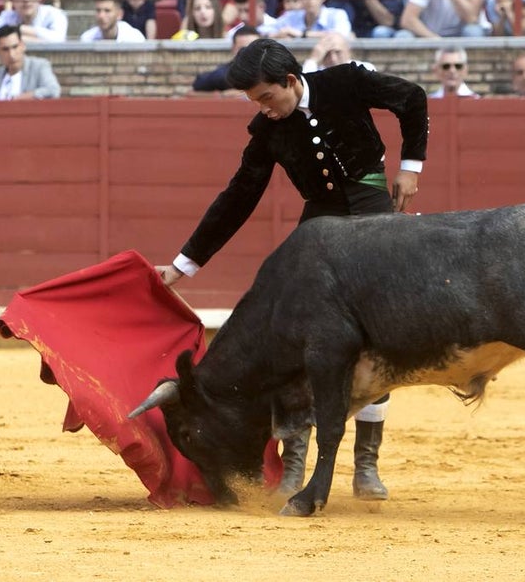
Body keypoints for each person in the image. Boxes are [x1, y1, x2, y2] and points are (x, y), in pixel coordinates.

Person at [154, 36, 429, 501]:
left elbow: (412, 98)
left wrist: (412, 167)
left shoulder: (345, 82)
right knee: (296, 340)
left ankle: (366, 464)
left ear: (289, 80)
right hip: (318, 222)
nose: (264, 109)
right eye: (254, 102)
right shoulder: (267, 131)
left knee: (376, 337)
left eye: (266, 98)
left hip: (371, 212)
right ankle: (296, 461)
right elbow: (238, 197)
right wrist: (185, 264)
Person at [0, 25, 61, 100]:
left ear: (23, 46)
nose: (11, 54)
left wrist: (23, 98)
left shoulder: (39, 67)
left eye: (15, 47)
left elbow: (53, 91)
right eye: (5, 49)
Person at [189, 25, 262, 93]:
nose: (248, 53)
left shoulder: (270, 70)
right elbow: (196, 87)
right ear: (234, 49)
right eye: (243, 49)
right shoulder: (224, 75)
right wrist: (222, 96)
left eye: (253, 48)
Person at [81, 0, 146, 43]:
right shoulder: (87, 39)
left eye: (107, 11)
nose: (101, 16)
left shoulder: (134, 39)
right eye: (98, 10)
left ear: (119, 14)